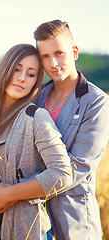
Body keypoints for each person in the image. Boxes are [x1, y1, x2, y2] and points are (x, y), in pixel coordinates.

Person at [0, 43, 72, 240]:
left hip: (25, 229)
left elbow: (62, 174)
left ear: (35, 83)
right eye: (16, 69)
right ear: (4, 70)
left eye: (31, 74)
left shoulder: (35, 117)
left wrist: (11, 193)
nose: (22, 78)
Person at [33, 20, 109, 240]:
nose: (53, 63)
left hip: (74, 220)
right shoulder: (36, 97)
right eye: (45, 56)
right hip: (34, 220)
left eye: (59, 53)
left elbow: (77, 167)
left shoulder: (96, 102)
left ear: (74, 52)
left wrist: (17, 190)